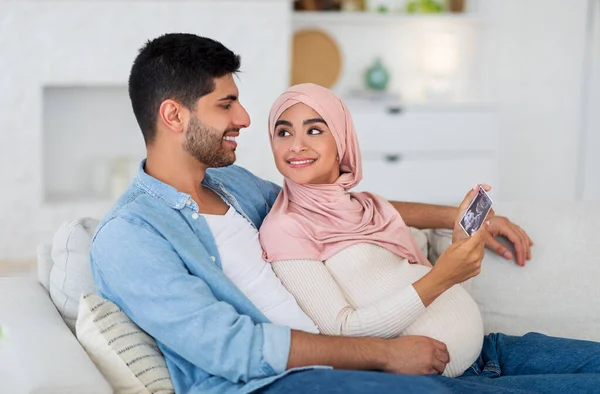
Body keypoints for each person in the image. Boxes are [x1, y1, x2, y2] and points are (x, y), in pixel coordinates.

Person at [90, 33, 537, 394]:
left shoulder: (234, 185)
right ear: (173, 115)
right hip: (295, 381)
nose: (246, 118)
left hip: (397, 353)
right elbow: (233, 349)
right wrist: (383, 354)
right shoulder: (131, 235)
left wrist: (451, 216)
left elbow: (334, 207)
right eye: (225, 104)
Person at [259, 83, 600, 392]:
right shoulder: (285, 229)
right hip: (437, 382)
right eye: (283, 133)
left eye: (314, 130)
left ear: (342, 141)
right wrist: (444, 276)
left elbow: (393, 211)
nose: (296, 146)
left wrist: (467, 226)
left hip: (489, 350)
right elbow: (342, 330)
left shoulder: (361, 206)